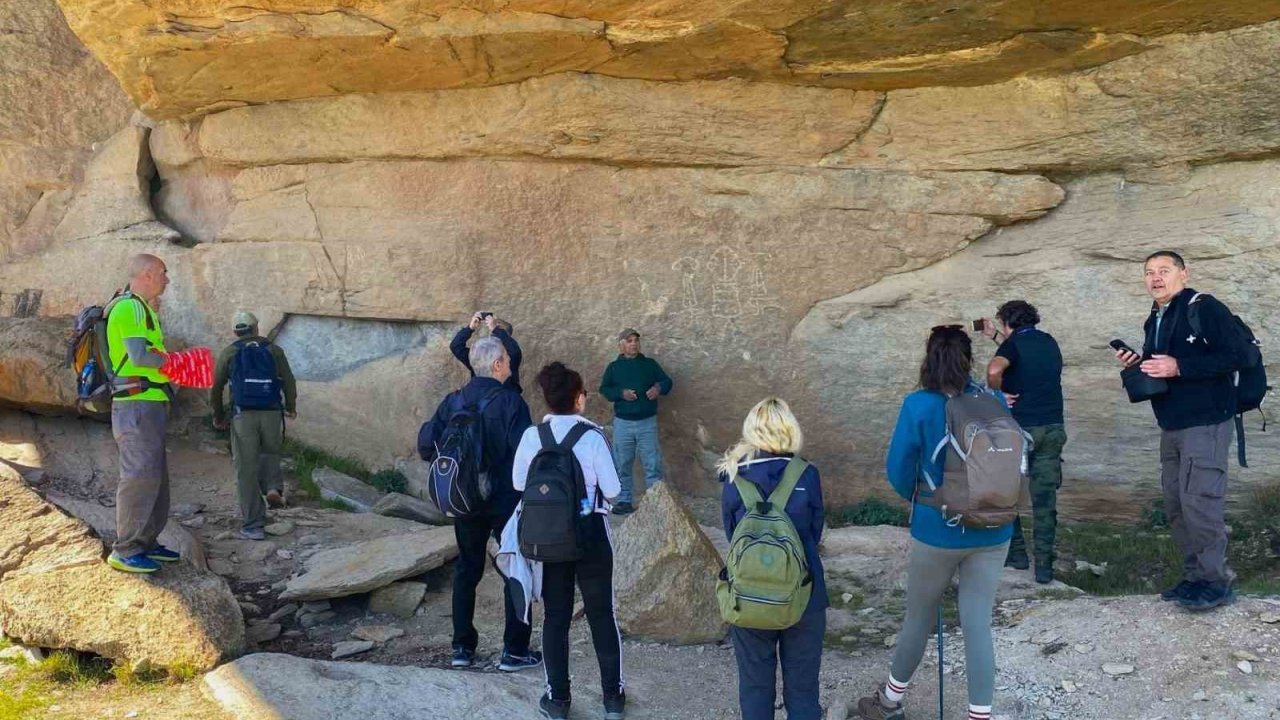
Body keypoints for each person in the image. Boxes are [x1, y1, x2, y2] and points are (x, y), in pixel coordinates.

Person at [858, 325, 1013, 720]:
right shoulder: (993, 399)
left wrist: (924, 500)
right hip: (994, 527)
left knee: (919, 617)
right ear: (968, 360)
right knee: (978, 624)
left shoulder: (918, 405)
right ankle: (980, 716)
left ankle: (889, 702)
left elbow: (898, 470)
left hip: (938, 528)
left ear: (929, 359)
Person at [1115, 251, 1244, 612]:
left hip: (1206, 422)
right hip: (1172, 424)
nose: (1156, 278)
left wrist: (1180, 367)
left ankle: (1216, 582)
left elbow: (1237, 356)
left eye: (1164, 270)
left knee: (1200, 503)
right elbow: (1162, 367)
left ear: (1183, 274)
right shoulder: (1155, 317)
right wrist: (1139, 364)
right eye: (1149, 272)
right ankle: (1194, 577)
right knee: (1177, 505)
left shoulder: (1204, 307)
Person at [417, 337, 540, 671]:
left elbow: (426, 444)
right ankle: (514, 651)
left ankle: (462, 649)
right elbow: (525, 454)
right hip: (505, 501)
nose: (511, 364)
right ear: (498, 365)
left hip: (464, 499)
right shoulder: (512, 402)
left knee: (467, 570)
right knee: (515, 569)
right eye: (508, 360)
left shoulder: (454, 400)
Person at [512, 363, 625, 720]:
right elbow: (614, 491)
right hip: (590, 533)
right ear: (579, 399)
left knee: (556, 617)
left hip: (550, 537)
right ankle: (612, 698)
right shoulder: (592, 437)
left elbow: (519, 484)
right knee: (601, 614)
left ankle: (558, 699)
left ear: (548, 398)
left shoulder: (533, 436)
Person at [720, 398, 826, 720]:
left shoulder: (734, 475)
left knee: (755, 686)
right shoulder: (807, 474)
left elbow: (732, 534)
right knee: (803, 689)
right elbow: (815, 531)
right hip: (803, 592)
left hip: (748, 595)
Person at [981, 300, 1066, 583]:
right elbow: (1022, 353)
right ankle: (1044, 567)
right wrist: (995, 336)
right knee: (1044, 500)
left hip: (1019, 430)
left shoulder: (1012, 346)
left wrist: (996, 396)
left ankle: (1017, 555)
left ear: (1007, 323)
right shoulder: (1048, 341)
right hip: (1052, 427)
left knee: (1006, 493)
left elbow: (995, 369)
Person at [105, 254, 180, 573]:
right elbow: (139, 356)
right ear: (148, 274)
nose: (167, 279)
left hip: (147, 402)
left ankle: (147, 542)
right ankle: (125, 550)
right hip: (135, 403)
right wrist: (178, 363)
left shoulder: (144, 309)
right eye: (163, 272)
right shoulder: (131, 307)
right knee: (139, 475)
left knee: (155, 476)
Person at [210, 311, 298, 541]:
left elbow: (216, 387)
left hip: (243, 416)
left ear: (235, 331)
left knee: (245, 468)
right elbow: (288, 380)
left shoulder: (230, 353)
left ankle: (253, 524)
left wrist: (218, 415)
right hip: (271, 413)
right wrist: (290, 406)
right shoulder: (273, 350)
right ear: (256, 327)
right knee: (270, 452)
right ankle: (272, 487)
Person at [599, 328, 672, 514]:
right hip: (623, 423)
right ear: (621, 345)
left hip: (647, 422)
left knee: (652, 463)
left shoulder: (649, 365)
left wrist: (658, 388)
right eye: (629, 341)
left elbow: (667, 382)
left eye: (636, 340)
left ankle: (654, 501)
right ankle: (624, 500)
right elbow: (605, 389)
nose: (634, 344)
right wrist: (621, 393)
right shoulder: (614, 368)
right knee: (622, 462)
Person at [451, 312, 523, 393]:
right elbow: (456, 346)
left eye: (499, 330)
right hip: (480, 398)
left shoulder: (509, 358)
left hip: (505, 399)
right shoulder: (479, 357)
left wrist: (496, 329)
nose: (493, 332)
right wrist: (470, 328)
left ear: (506, 337)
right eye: (493, 332)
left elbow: (515, 351)